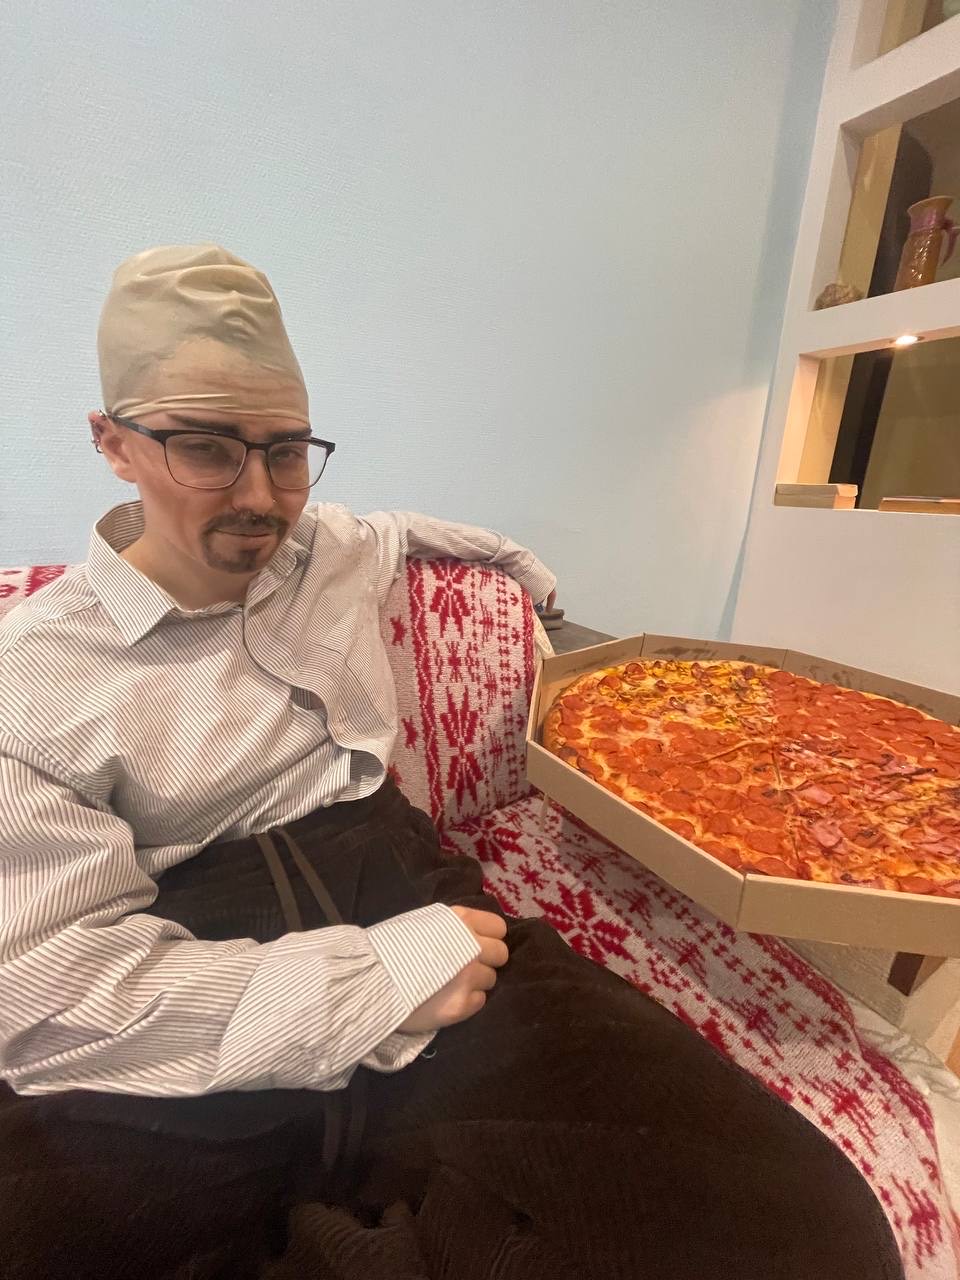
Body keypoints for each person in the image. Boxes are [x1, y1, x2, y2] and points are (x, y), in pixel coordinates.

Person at [0, 244, 902, 1280]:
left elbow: (398, 531)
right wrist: (372, 980)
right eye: (206, 448)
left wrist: (528, 577)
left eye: (286, 451)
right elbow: (46, 988)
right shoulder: (30, 677)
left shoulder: (324, 546)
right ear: (112, 442)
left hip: (413, 891)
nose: (260, 496)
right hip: (191, 949)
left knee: (811, 1228)